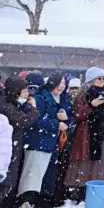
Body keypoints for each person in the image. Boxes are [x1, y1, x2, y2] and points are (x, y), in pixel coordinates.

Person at [19, 73, 73, 206]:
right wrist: (56, 124)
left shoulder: (63, 99)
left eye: (64, 84)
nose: (61, 86)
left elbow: (68, 120)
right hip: (38, 143)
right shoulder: (40, 97)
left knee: (47, 181)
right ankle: (27, 202)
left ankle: (42, 203)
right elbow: (35, 119)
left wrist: (66, 119)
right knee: (32, 179)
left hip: (52, 145)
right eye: (59, 83)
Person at [65, 67, 104, 196]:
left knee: (103, 163)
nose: (102, 81)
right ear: (91, 80)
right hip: (87, 135)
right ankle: (82, 192)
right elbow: (78, 115)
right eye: (99, 78)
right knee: (85, 163)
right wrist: (91, 105)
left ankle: (99, 191)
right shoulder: (83, 95)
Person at [0, 77, 39, 203]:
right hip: (5, 151)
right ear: (15, 92)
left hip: (11, 149)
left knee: (8, 184)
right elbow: (23, 121)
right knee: (5, 183)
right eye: (24, 91)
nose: (27, 94)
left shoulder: (14, 104)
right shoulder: (6, 107)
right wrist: (33, 109)